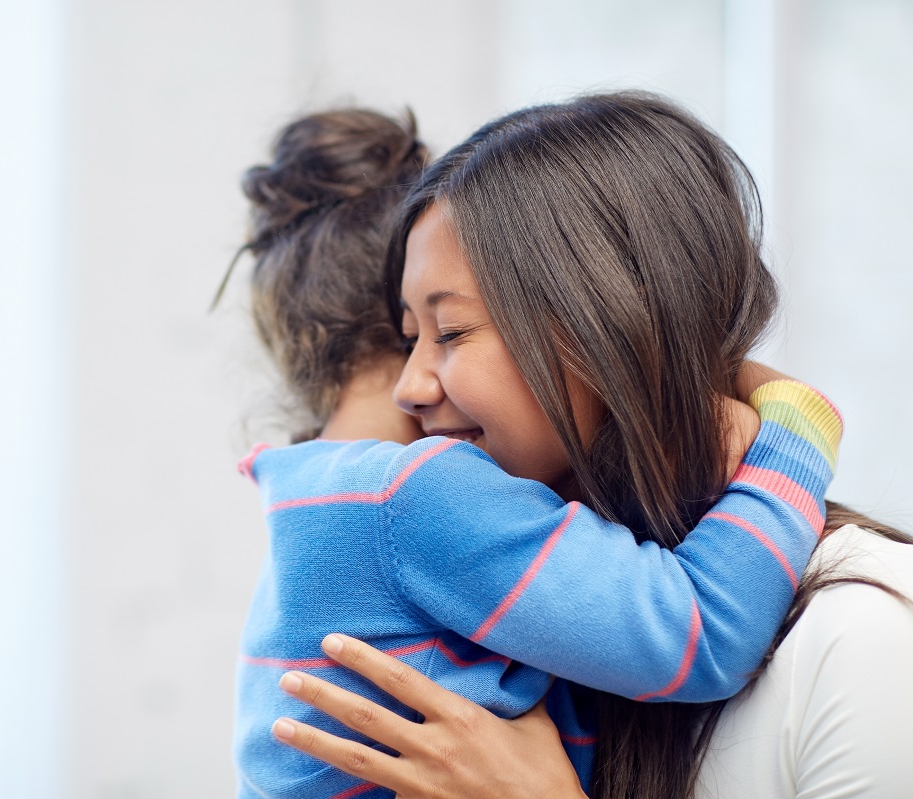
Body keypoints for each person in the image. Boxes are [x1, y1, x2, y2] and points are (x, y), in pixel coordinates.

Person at [269, 94, 913, 799]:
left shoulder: (865, 633)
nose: (410, 387)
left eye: (450, 333)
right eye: (407, 338)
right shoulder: (524, 616)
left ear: (608, 327)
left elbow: (702, 632)